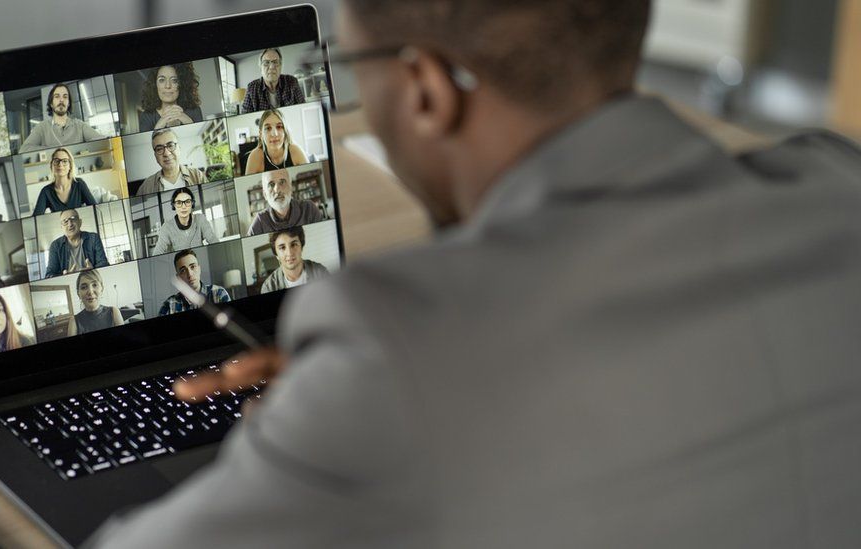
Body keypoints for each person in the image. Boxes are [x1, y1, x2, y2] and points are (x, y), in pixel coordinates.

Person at [90, 1, 861, 548]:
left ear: (425, 90)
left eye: (351, 67)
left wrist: (328, 422)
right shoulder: (839, 186)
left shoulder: (394, 347)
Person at [19, 83, 105, 153]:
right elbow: (24, 149)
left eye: (65, 96)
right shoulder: (41, 128)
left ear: (69, 103)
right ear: (51, 104)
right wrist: (54, 150)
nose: (61, 100)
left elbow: (101, 141)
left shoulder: (80, 125)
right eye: (57, 96)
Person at [247, 168, 322, 235]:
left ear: (291, 188)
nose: (277, 189)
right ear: (265, 195)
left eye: (282, 182)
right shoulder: (260, 222)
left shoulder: (309, 209)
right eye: (271, 184)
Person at [135, 129, 207, 196]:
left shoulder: (197, 176)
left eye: (170, 145)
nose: (166, 153)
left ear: (179, 149)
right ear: (155, 156)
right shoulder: (146, 187)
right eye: (159, 149)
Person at [158, 249, 229, 316]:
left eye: (192, 267)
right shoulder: (169, 305)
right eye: (183, 270)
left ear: (199, 269)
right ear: (178, 278)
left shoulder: (219, 293)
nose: (190, 274)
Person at [260, 225, 329, 293]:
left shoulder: (320, 272)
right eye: (282, 247)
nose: (289, 253)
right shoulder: (268, 287)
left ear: (301, 247)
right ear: (276, 255)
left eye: (294, 245)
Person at [151, 187, 218, 255]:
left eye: (187, 202)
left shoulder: (200, 219)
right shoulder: (167, 227)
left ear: (192, 204)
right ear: (174, 205)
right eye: (179, 203)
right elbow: (157, 253)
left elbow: (213, 240)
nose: (183, 207)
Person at [138, 63, 203, 132]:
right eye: (162, 80)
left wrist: (188, 121)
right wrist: (160, 125)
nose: (168, 86)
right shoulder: (146, 116)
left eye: (174, 80)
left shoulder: (195, 110)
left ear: (182, 84)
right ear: (155, 85)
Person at [32, 147, 98, 215]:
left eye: (65, 161)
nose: (60, 164)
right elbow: (35, 217)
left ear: (70, 166)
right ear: (52, 166)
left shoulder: (79, 184)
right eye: (56, 161)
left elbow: (95, 209)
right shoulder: (46, 191)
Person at [44, 209, 109, 278]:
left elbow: (104, 264)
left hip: (92, 280)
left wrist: (93, 271)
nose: (70, 224)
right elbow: (49, 275)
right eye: (65, 221)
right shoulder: (55, 246)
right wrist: (64, 277)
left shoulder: (93, 238)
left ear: (80, 222)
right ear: (61, 227)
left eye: (73, 219)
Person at [243, 108, 308, 175]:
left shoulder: (296, 151)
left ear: (285, 131)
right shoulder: (255, 156)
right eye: (268, 128)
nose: (274, 134)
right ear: (261, 134)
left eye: (279, 127)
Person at [240, 48, 306, 113]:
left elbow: (303, 108)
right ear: (260, 68)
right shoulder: (252, 88)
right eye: (266, 62)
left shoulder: (292, 82)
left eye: (275, 62)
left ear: (281, 66)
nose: (271, 67)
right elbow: (245, 117)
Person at [67, 269, 124, 336]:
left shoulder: (114, 312)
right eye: (84, 287)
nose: (90, 291)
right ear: (78, 293)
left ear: (101, 289)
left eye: (94, 285)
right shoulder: (74, 321)